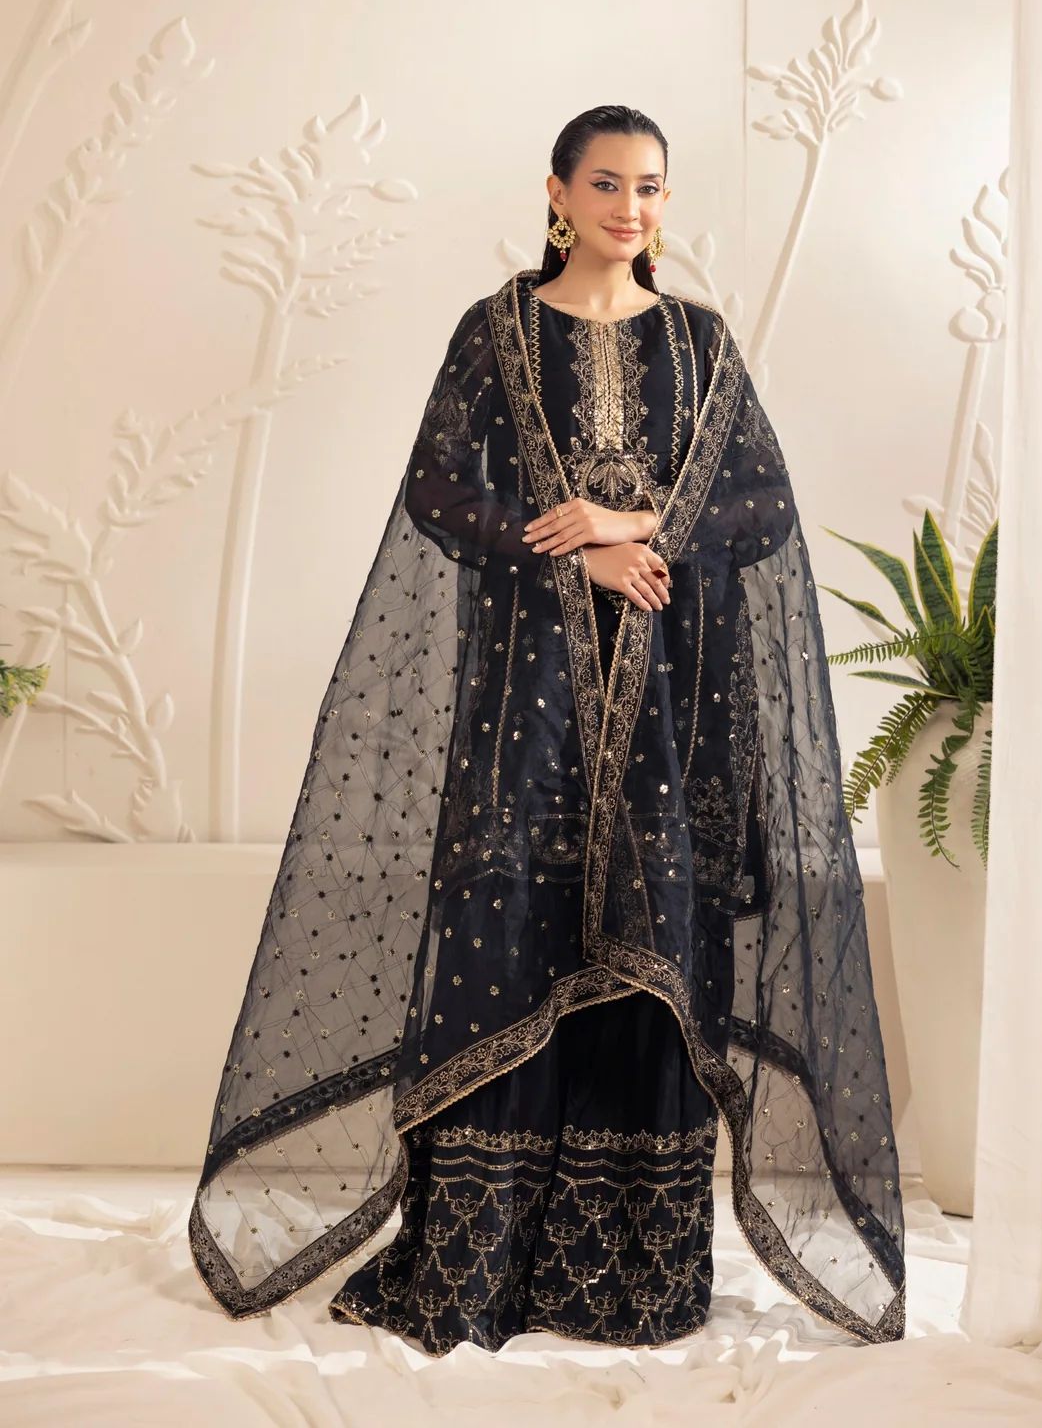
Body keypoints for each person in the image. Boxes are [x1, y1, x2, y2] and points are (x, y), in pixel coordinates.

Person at [188, 103, 906, 1356]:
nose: (632, 207)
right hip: (526, 704)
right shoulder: (498, 331)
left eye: (652, 186)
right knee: (509, 931)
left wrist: (639, 529)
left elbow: (761, 501)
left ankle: (629, 1274)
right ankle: (479, 1264)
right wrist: (568, 550)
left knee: (654, 940)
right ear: (559, 193)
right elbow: (440, 488)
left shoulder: (699, 341)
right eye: (608, 183)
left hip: (673, 715)